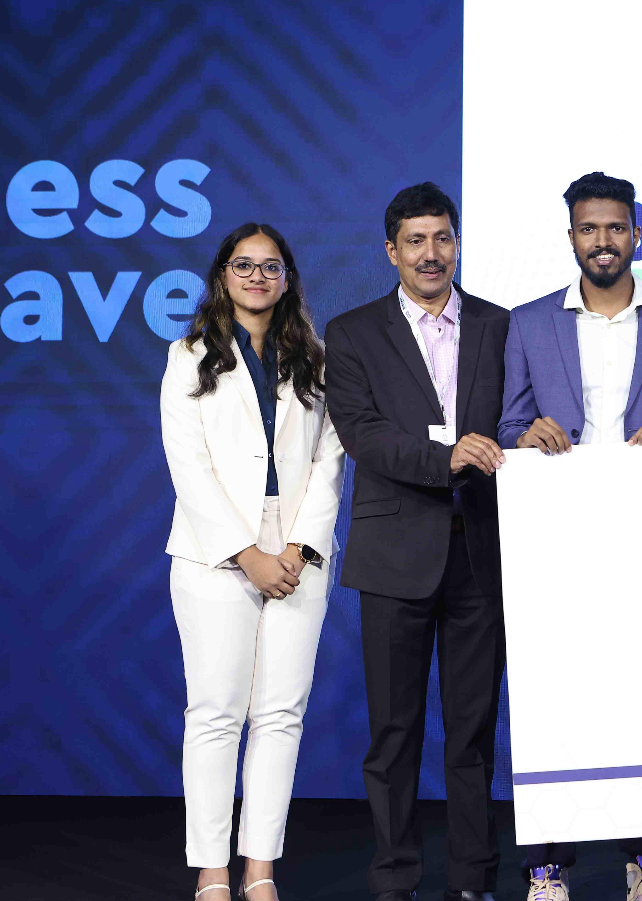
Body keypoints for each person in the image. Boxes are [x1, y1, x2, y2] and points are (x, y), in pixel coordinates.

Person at [498, 171, 642, 901]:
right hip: (554, 541)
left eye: (615, 227)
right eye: (589, 228)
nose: (603, 240)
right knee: (548, 702)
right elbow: (508, 424)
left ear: (636, 235)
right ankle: (547, 868)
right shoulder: (530, 322)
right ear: (571, 238)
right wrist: (526, 434)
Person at [323, 183, 511, 901]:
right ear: (391, 251)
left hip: (482, 554)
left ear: (456, 243)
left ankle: (473, 879)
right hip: (394, 556)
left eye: (442, 238)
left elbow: (516, 418)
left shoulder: (499, 325)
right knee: (394, 734)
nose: (431, 254)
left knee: (472, 733)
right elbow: (362, 434)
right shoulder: (352, 333)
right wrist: (447, 457)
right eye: (416, 241)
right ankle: (395, 879)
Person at [161, 222, 345, 901]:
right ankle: (212, 871)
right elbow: (188, 464)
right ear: (223, 275)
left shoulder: (315, 358)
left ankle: (259, 868)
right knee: (215, 712)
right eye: (244, 265)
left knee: (280, 714)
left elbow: (330, 456)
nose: (257, 276)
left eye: (271, 266)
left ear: (287, 278)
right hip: (215, 550)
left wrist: (296, 546)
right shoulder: (188, 355)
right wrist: (247, 553)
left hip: (298, 546)